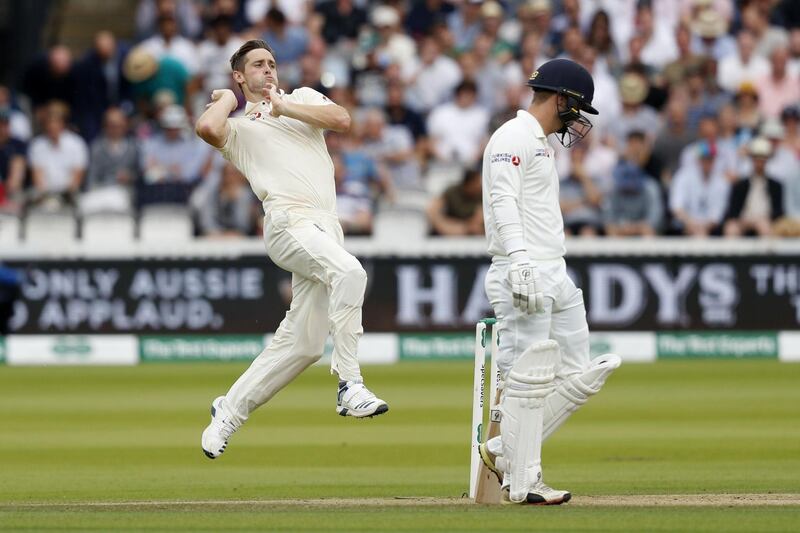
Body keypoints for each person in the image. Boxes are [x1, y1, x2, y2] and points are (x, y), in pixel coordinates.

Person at [195, 39, 388, 459]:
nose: (268, 70)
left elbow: (341, 118)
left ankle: (228, 410)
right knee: (351, 272)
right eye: (258, 65)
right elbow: (208, 129)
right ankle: (350, 384)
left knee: (303, 345)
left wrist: (285, 107)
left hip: (326, 226)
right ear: (240, 75)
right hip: (287, 222)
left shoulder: (300, 99)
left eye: (272, 63)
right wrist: (229, 98)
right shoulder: (239, 126)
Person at [478, 58, 621, 505]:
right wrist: (519, 259)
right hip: (522, 271)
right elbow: (503, 200)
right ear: (559, 98)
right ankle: (525, 481)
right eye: (575, 108)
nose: (576, 119)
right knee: (529, 378)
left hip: (554, 270)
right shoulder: (512, 136)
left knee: (578, 374)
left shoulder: (541, 143)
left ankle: (506, 449)